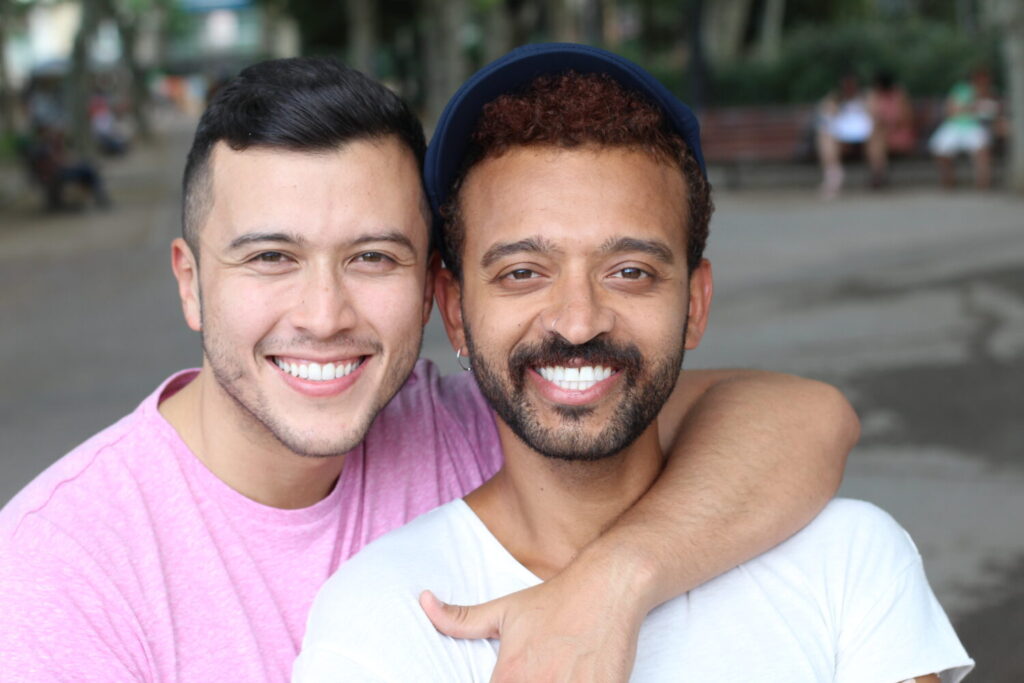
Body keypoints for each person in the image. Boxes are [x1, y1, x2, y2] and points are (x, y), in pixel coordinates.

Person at [0, 57, 859, 682]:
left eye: (373, 257)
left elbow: (803, 419)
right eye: (270, 257)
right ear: (191, 282)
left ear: (430, 293)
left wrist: (611, 584)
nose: (324, 313)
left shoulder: (474, 426)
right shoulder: (61, 564)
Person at [295, 44, 973, 681]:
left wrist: (616, 582)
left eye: (629, 271)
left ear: (696, 303)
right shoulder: (380, 611)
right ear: (454, 311)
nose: (578, 319)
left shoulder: (848, 558)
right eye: (524, 271)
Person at [929, 68, 1000, 189]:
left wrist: (969, 108)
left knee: (982, 151)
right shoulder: (960, 89)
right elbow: (951, 110)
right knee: (939, 149)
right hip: (954, 126)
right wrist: (971, 108)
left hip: (976, 126)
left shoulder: (990, 92)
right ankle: (948, 182)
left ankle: (983, 184)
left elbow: (992, 113)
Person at [815, 72, 874, 198]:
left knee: (877, 134)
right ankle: (834, 175)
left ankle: (878, 175)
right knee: (825, 134)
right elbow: (825, 118)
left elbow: (875, 117)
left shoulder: (866, 98)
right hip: (841, 139)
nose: (849, 88)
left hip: (866, 138)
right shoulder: (834, 100)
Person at [866, 70, 917, 187]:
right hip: (880, 136)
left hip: (899, 135)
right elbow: (871, 117)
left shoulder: (899, 95)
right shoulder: (874, 96)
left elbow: (906, 119)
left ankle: (878, 174)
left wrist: (888, 124)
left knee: (876, 140)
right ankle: (879, 174)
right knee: (876, 139)